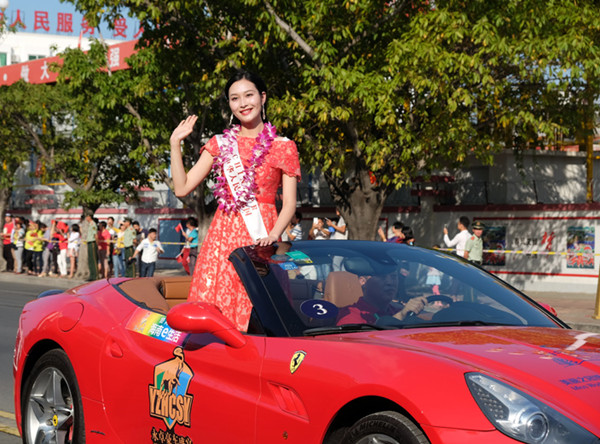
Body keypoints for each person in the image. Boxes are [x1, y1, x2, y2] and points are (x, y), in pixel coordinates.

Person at [170, 70, 300, 331]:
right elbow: (182, 188)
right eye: (235, 98)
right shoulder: (221, 144)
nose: (243, 103)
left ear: (262, 98)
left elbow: (289, 204)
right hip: (223, 238)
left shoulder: (283, 146)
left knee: (261, 316)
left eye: (249, 95)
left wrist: (274, 236)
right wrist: (175, 143)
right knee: (217, 315)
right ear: (229, 104)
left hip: (262, 236)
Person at [337, 270, 428, 325]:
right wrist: (401, 315)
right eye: (382, 277)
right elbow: (365, 345)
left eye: (393, 276)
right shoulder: (350, 316)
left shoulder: (397, 309)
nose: (389, 282)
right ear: (363, 281)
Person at [83, 214, 98, 281]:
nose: (86, 218)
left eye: (87, 216)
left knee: (93, 260)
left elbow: (95, 235)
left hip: (92, 243)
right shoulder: (90, 224)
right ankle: (92, 275)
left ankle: (95, 275)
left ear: (89, 217)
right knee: (90, 260)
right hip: (89, 242)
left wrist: (97, 245)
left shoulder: (93, 224)